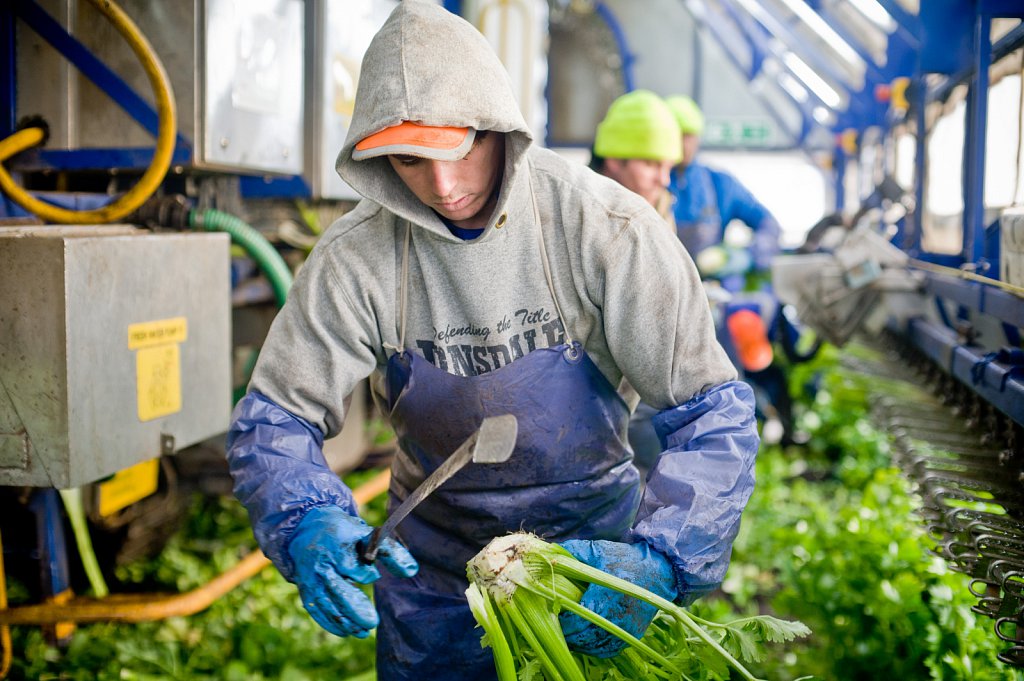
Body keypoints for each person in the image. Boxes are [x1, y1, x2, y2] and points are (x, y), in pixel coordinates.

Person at [226, 3, 759, 679]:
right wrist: (302, 516)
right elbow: (277, 417)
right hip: (434, 578)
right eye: (412, 161)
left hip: (594, 569)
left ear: (500, 128)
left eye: (459, 150)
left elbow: (712, 414)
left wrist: (663, 556)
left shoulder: (606, 230)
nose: (442, 187)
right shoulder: (356, 259)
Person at [664, 95, 782, 291]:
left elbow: (767, 223)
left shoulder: (720, 184)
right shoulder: (649, 183)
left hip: (709, 289)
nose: (684, 144)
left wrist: (748, 254)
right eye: (676, 135)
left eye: (689, 136)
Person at [588, 89, 681, 224]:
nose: (664, 180)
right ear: (615, 160)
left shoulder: (662, 208)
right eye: (652, 164)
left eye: (669, 167)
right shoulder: (578, 216)